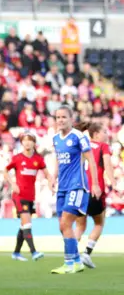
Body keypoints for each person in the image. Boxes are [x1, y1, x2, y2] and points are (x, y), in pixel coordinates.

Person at [50, 106, 101, 274]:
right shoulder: (56, 138)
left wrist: (94, 184)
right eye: (58, 117)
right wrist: (53, 177)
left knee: (66, 222)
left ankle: (68, 263)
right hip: (62, 187)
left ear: (71, 118)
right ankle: (77, 261)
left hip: (77, 185)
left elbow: (91, 161)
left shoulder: (79, 137)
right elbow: (58, 159)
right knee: (62, 226)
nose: (60, 120)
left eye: (64, 117)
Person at [4, 132, 53, 261]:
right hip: (19, 195)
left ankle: (16, 253)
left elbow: (47, 174)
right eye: (25, 140)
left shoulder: (38, 159)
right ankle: (33, 252)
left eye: (30, 140)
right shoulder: (17, 158)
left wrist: (50, 184)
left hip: (31, 196)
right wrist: (12, 183)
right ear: (21, 143)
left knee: (24, 224)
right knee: (27, 223)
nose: (27, 142)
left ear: (34, 143)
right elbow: (5, 170)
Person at [75, 121, 115, 268]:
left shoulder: (82, 145)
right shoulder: (103, 147)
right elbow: (108, 165)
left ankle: (70, 256)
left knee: (80, 226)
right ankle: (86, 254)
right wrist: (114, 182)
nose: (107, 134)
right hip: (95, 189)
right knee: (99, 222)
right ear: (96, 134)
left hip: (80, 189)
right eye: (104, 131)